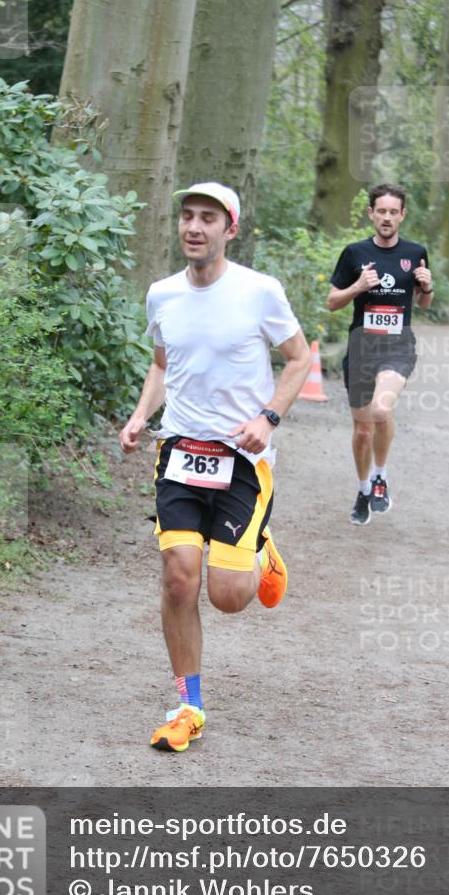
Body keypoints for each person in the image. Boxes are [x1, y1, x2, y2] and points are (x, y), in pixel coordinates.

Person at [119, 182, 311, 752]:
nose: (194, 227)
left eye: (207, 218)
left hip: (244, 460)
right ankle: (188, 705)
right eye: (186, 217)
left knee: (228, 595)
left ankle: (259, 548)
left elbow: (300, 359)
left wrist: (269, 417)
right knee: (180, 577)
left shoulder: (259, 292)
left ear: (230, 229)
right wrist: (138, 416)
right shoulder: (162, 294)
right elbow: (162, 365)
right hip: (179, 451)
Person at [327, 184, 433, 525]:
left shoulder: (416, 251)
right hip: (361, 346)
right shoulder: (354, 253)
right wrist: (358, 287)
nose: (387, 218)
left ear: (402, 215)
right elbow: (332, 302)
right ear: (371, 213)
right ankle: (363, 488)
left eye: (393, 212)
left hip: (397, 345)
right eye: (381, 211)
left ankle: (381, 476)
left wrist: (428, 286)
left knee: (380, 409)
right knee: (361, 431)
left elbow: (424, 302)